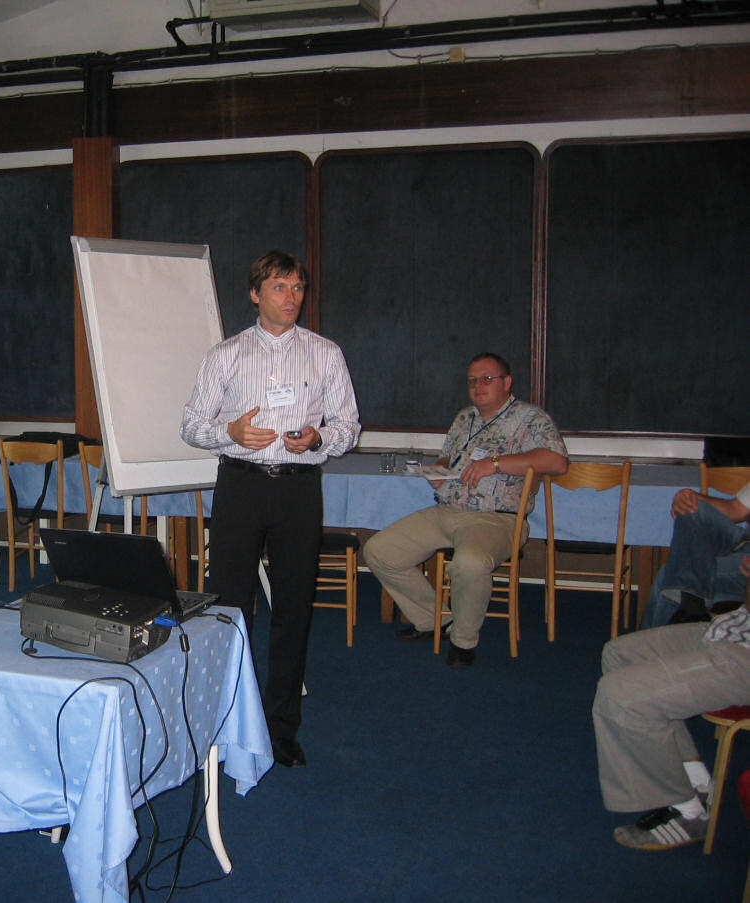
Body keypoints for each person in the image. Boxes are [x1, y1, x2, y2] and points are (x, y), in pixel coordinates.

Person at [180, 250, 360, 768]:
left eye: (298, 287)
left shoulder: (326, 353)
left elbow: (349, 427)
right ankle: (223, 718)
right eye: (280, 287)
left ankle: (281, 728)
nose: (292, 297)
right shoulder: (227, 354)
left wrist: (319, 437)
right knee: (229, 605)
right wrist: (230, 432)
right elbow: (191, 425)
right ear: (255, 294)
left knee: (293, 607)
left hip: (298, 490)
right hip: (240, 484)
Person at [361, 352, 568, 668]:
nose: (477, 386)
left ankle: (463, 640)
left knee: (469, 563)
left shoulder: (531, 419)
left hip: (496, 519)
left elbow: (557, 462)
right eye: (472, 381)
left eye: (487, 379)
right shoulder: (464, 418)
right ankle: (435, 620)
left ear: (507, 383)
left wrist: (495, 463)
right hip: (446, 510)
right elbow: (449, 458)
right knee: (379, 551)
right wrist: (438, 470)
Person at [593, 556, 750, 850]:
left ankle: (689, 812)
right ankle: (696, 782)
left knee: (620, 695)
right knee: (620, 655)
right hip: (735, 630)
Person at [638, 480, 750, 628]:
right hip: (743, 545)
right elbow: (736, 509)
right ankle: (691, 606)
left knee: (669, 577)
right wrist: (690, 499)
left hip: (743, 570)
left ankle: (689, 609)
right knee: (695, 510)